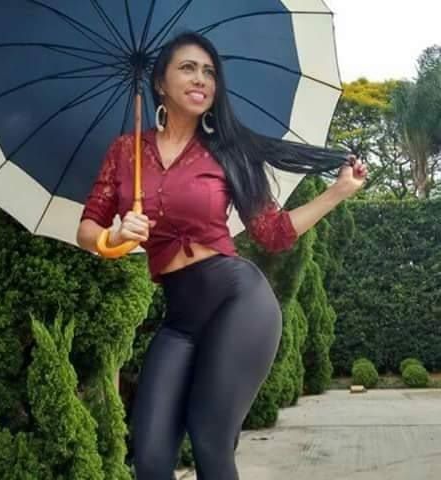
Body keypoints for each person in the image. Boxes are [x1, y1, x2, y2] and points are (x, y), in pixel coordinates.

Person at [76, 32, 367, 480]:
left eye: (209, 72)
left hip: (238, 301)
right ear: (160, 82)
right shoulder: (125, 152)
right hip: (180, 319)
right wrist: (112, 236)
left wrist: (337, 192)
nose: (201, 79)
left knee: (210, 439)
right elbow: (87, 228)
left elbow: (272, 233)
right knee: (150, 458)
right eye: (188, 68)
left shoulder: (228, 151)